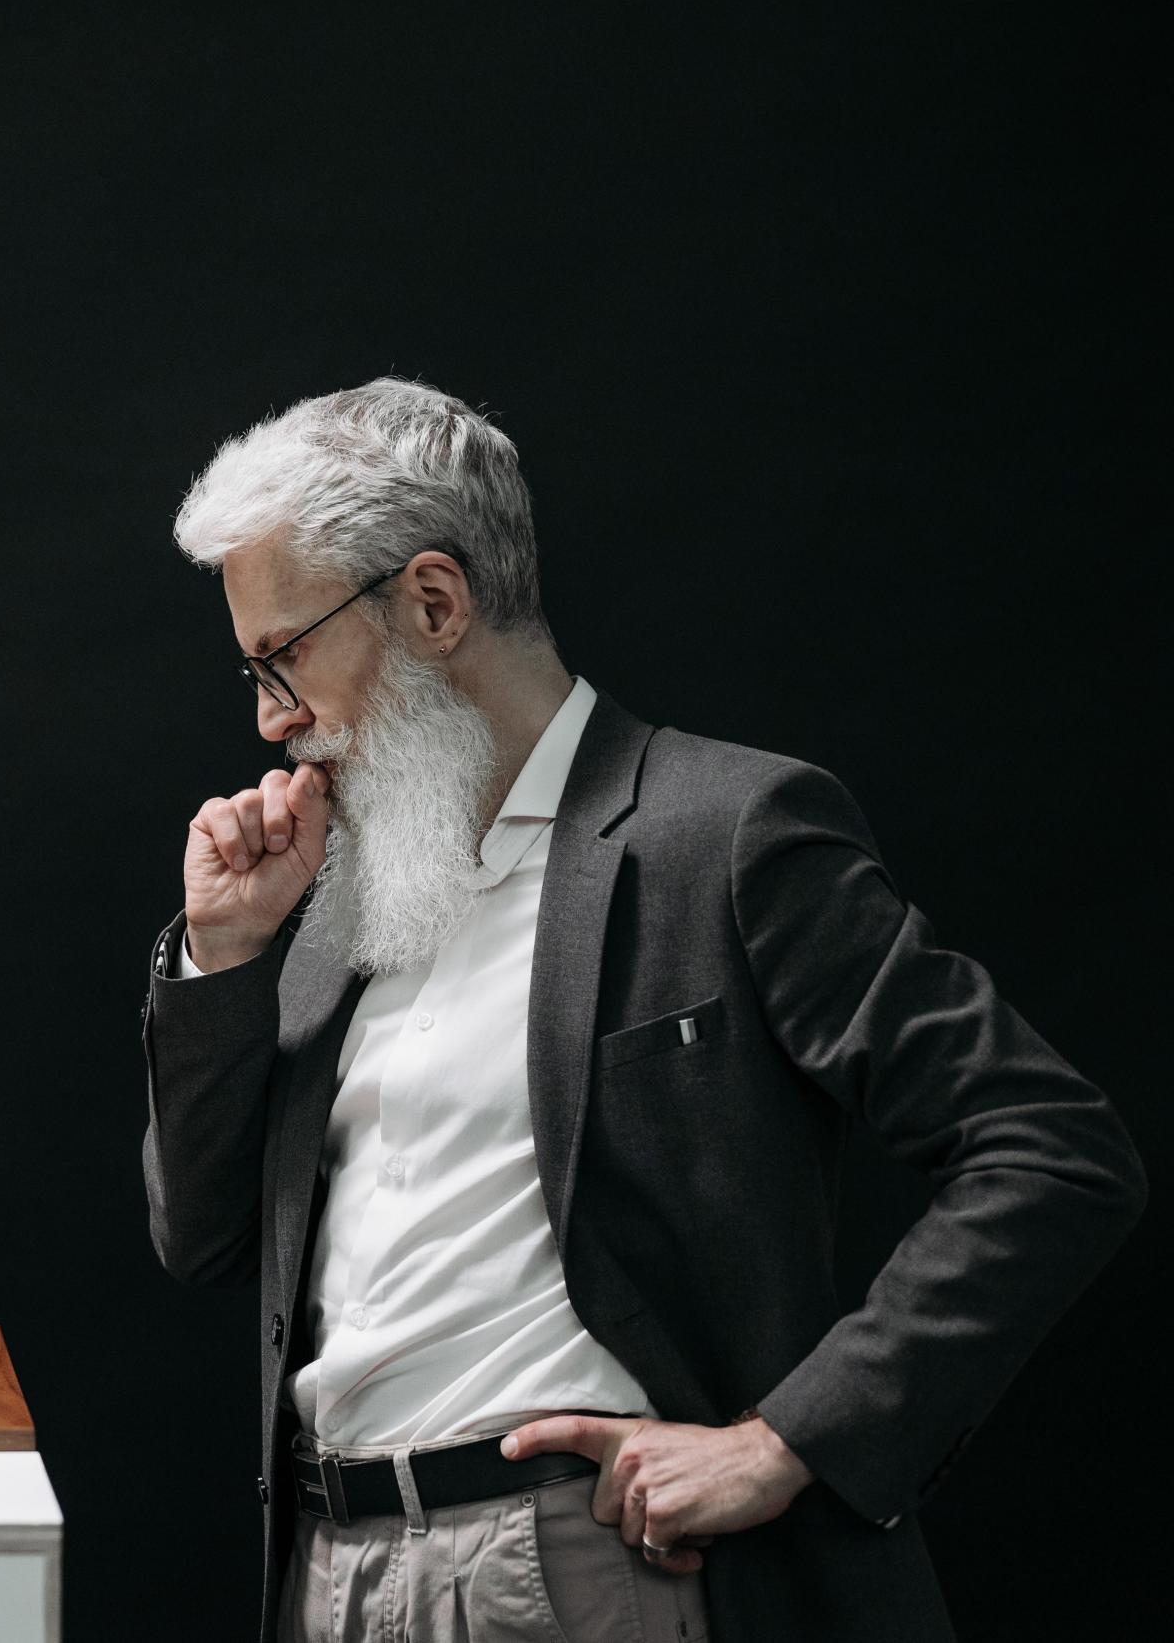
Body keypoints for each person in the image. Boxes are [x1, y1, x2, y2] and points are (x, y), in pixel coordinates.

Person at [139, 379, 1146, 1642]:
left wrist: (788, 1439)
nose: (270, 720)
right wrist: (223, 958)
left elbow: (1051, 1149)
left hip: (579, 1570)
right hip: (327, 1571)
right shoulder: (343, 893)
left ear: (434, 602)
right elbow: (205, 1237)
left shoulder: (724, 833)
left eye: (282, 655)